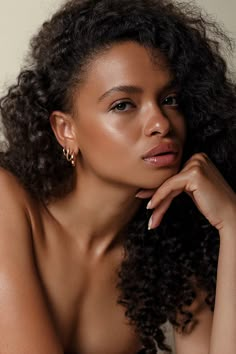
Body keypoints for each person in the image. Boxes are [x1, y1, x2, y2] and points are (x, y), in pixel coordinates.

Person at [0, 0, 235, 353]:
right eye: (123, 104)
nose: (161, 124)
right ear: (66, 130)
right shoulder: (8, 203)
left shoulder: (167, 255)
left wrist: (232, 225)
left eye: (169, 99)